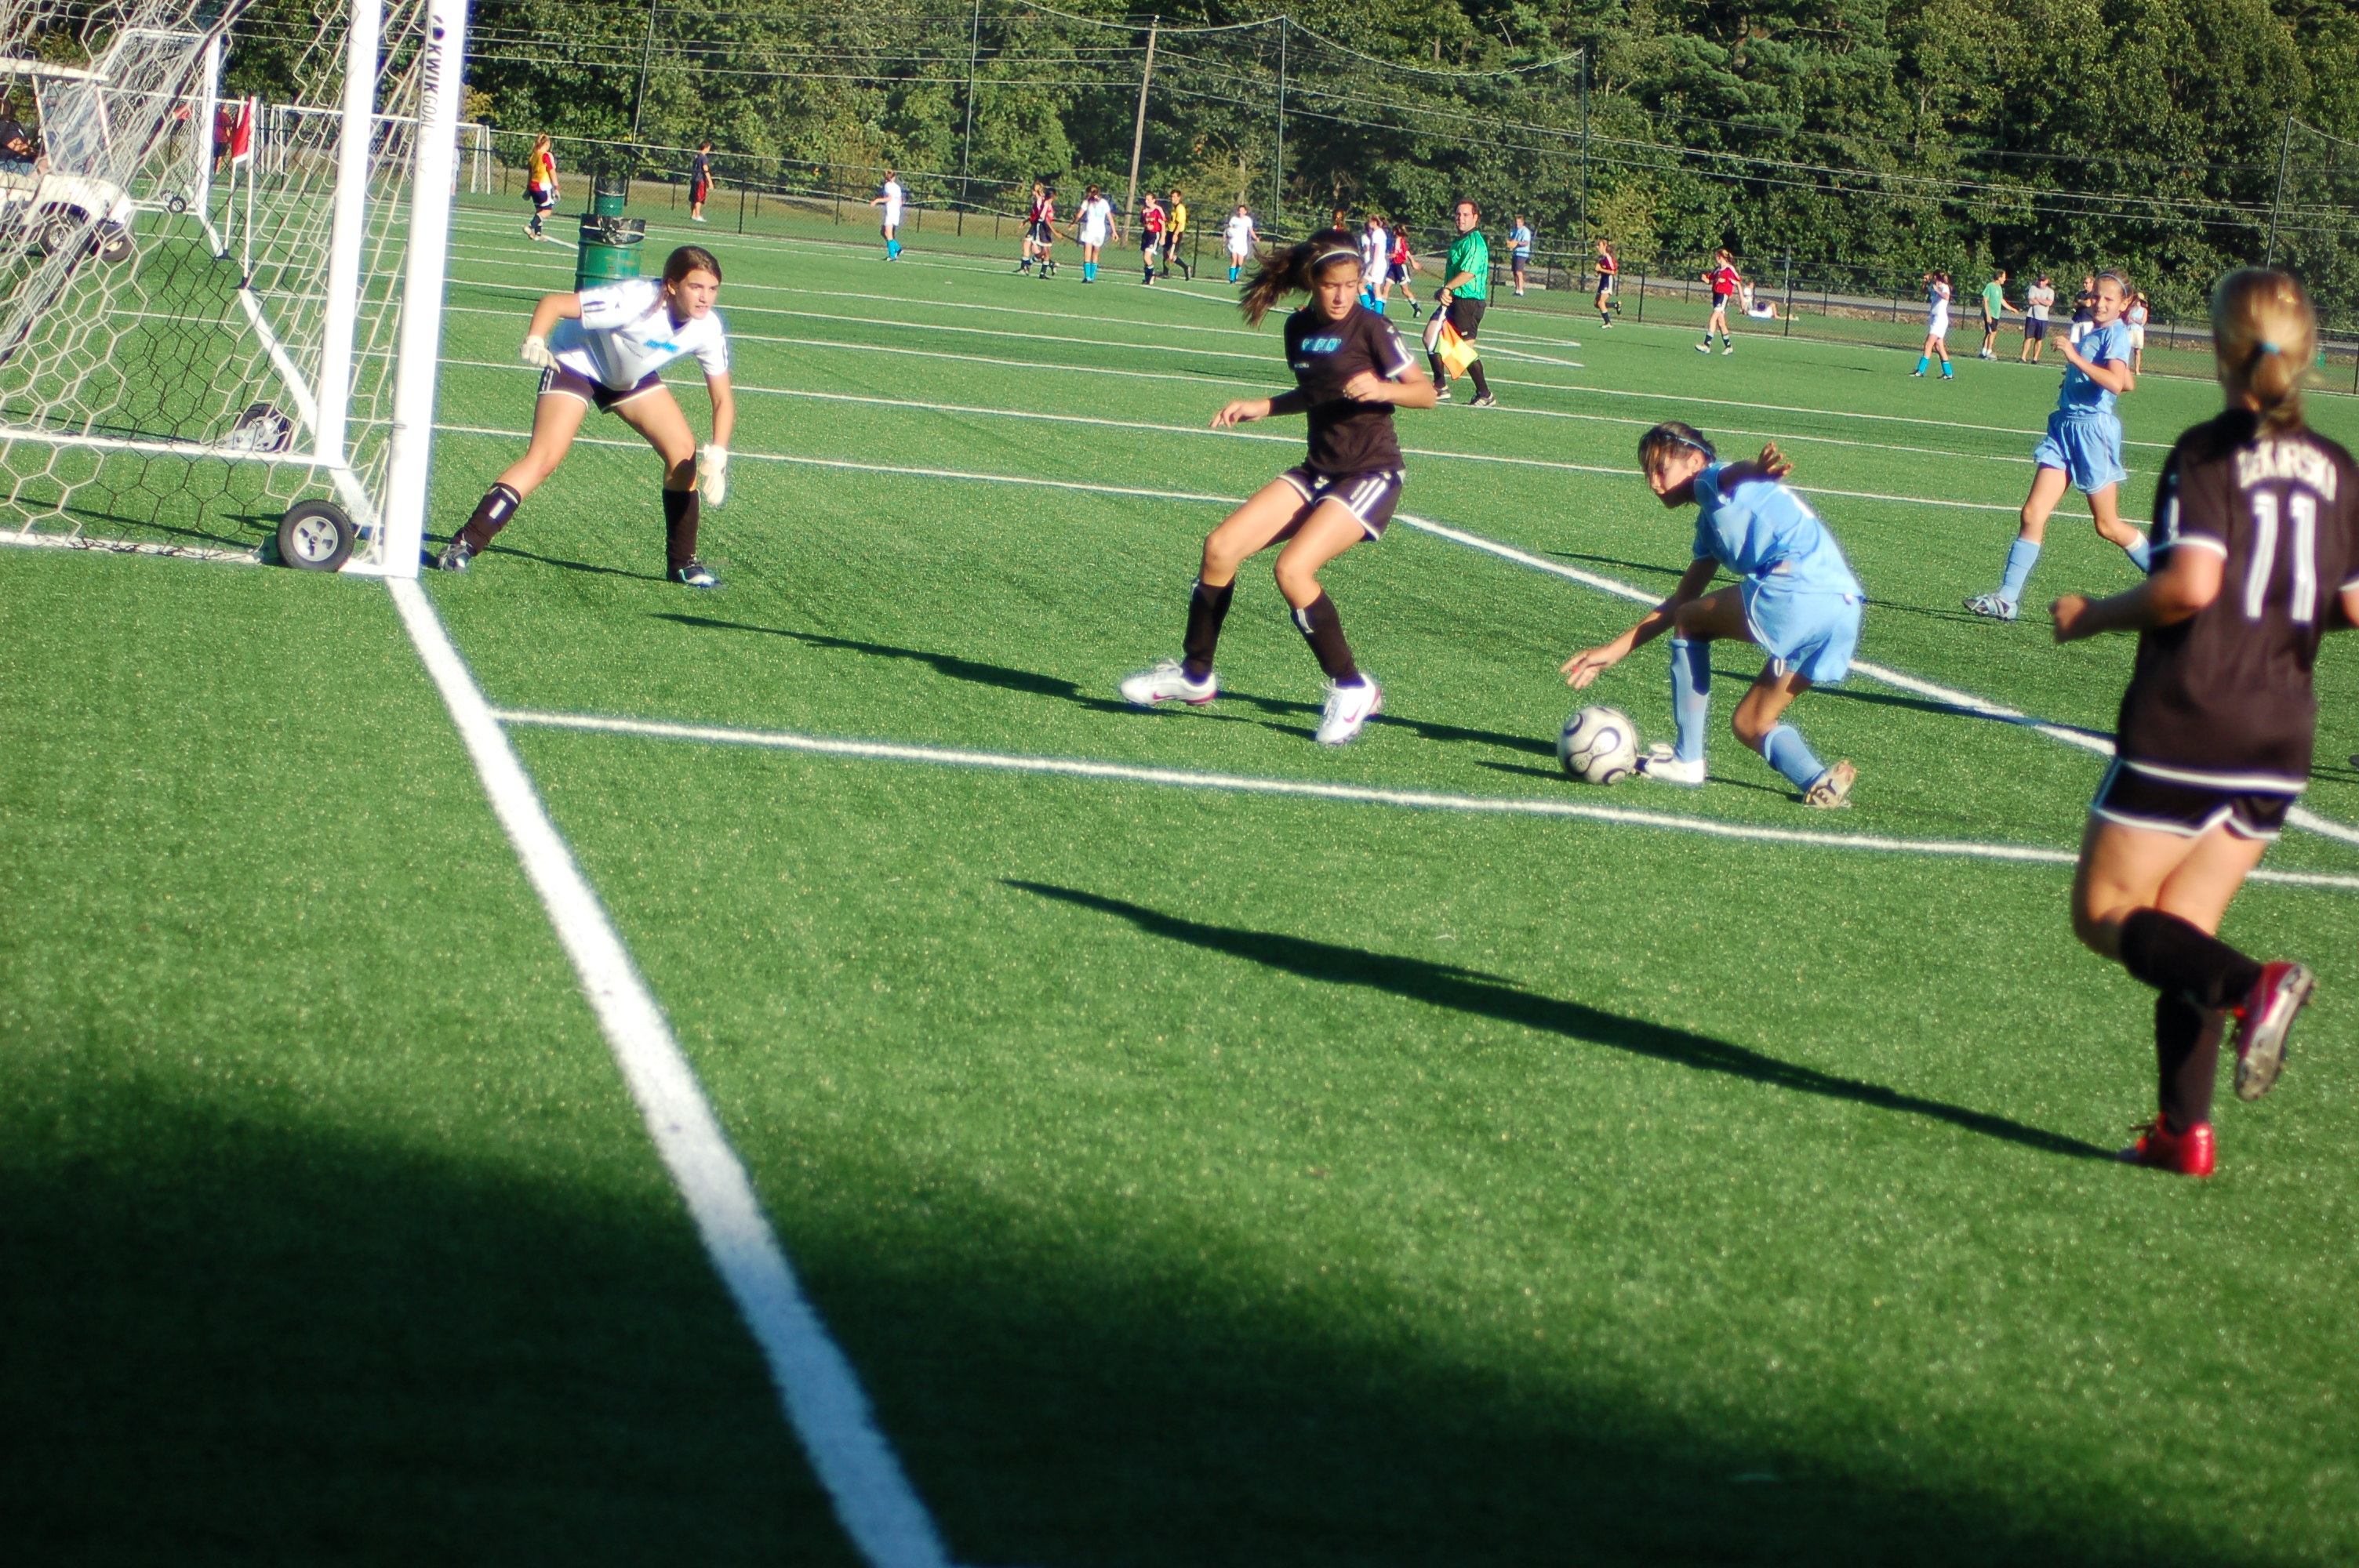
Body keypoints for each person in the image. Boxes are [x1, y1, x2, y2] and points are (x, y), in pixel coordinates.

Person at [2049, 269, 2354, 1177]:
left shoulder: (2208, 450)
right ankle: (2181, 1131)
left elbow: (2188, 585)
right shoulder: (2337, 466)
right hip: (2280, 731)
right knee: (2182, 922)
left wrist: (2092, 614)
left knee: (2105, 911)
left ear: (2220, 350)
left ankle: (2251, 985)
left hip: (2192, 714)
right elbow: (2350, 604)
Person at [1118, 230, 1437, 746]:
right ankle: (1195, 675)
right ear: (1313, 282)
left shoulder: (1372, 326)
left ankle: (1352, 687)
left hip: (1370, 473)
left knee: (1292, 570)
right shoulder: (1299, 329)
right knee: (1220, 548)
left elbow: (1426, 393)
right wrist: (1262, 406)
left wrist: (1382, 388)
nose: (1342, 295)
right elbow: (1314, 394)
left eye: (1352, 285)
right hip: (1318, 470)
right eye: (1332, 286)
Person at [1559, 423, 1862, 808]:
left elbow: (1731, 474)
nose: (1653, 482)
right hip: (1843, 606)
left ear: (1695, 461)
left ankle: (1687, 760)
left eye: (1661, 469)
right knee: (1750, 723)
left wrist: (1756, 469)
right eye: (1647, 472)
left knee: (1692, 620)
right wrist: (1612, 652)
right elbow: (1679, 603)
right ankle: (1818, 781)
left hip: (1798, 590)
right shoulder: (1709, 526)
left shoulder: (1709, 481)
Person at [434, 245, 734, 589]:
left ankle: (683, 565)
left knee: (683, 452)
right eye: (696, 287)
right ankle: (464, 543)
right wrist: (536, 339)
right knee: (544, 458)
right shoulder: (634, 299)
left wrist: (720, 452)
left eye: (713, 289)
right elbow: (553, 304)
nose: (705, 297)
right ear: (671, 285)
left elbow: (722, 398)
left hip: (627, 378)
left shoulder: (707, 327)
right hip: (576, 363)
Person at [1967, 270, 2147, 620]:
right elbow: (2126, 382)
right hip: (2064, 428)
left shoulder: (2116, 333)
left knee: (2107, 525)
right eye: (2096, 296)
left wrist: (2075, 358)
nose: (2100, 303)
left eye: (2109, 299)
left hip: (2092, 432)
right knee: (2032, 514)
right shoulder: (2098, 333)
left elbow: (2113, 383)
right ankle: (2007, 599)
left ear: (2124, 304)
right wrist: (2081, 375)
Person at [1426, 198, 1496, 408]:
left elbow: (1468, 273)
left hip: (1468, 302)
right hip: (1453, 300)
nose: (1461, 218)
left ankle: (1485, 394)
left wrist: (1447, 288)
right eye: (1458, 214)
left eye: (1466, 215)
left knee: (1462, 353)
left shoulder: (1475, 243)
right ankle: (1440, 387)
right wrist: (1444, 291)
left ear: (1475, 218)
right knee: (1430, 337)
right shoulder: (1459, 241)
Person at [1914, 271, 1955, 379]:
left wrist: (1937, 290)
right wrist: (1925, 282)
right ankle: (1948, 373)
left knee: (1929, 344)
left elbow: (1946, 297)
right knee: (1939, 346)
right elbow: (1923, 291)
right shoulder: (1934, 286)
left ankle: (1920, 371)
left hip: (1940, 320)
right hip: (1935, 319)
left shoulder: (1944, 287)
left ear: (1936, 277)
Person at [1698, 249, 1739, 354]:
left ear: (1720, 257)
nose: (1715, 258)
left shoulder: (1729, 269)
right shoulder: (1718, 269)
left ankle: (1706, 345)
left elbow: (1738, 281)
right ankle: (1728, 346)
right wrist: (1705, 279)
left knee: (1713, 318)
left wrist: (1742, 299)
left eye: (1716, 256)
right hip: (1716, 296)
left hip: (1723, 296)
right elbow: (1710, 280)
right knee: (1721, 322)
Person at [1072, 184, 1116, 283]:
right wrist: (1114, 231)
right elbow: (1110, 218)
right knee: (1096, 253)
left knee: (1087, 252)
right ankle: (1092, 277)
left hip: (1090, 229)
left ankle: (1087, 276)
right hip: (1100, 231)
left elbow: (1079, 215)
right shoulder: (1104, 202)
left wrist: (1072, 223)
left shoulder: (1087, 202)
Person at [523, 133, 558, 241]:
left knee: (540, 210)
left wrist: (528, 188)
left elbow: (530, 174)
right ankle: (530, 226)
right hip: (544, 186)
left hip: (533, 186)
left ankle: (538, 234)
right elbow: (552, 172)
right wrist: (556, 188)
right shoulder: (546, 155)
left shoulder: (533, 156)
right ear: (546, 143)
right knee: (547, 210)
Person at [1016, 182, 1056, 276]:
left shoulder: (1041, 201)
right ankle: (1049, 263)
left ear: (1035, 191)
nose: (1031, 192)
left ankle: (1025, 266)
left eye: (1033, 190)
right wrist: (1026, 221)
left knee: (1029, 245)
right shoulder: (1039, 201)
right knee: (1035, 249)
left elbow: (1041, 216)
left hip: (1038, 226)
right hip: (1037, 225)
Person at [869, 170, 905, 260]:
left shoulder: (888, 185)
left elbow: (889, 198)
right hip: (896, 212)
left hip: (890, 212)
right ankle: (898, 249)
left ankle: (892, 255)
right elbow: (900, 202)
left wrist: (876, 201)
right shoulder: (897, 187)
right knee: (884, 232)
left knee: (888, 234)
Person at [1360, 212, 1391, 311]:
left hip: (1376, 263)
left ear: (1374, 222)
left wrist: (1372, 267)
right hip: (1382, 264)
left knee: (1360, 285)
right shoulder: (1382, 232)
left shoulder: (1376, 233)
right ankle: (1378, 314)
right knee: (1376, 289)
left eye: (1370, 222)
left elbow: (1376, 251)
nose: (1368, 224)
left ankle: (1367, 310)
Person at [2020, 274, 2055, 363]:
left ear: (2047, 281)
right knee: (2028, 337)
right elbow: (2031, 301)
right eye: (2040, 280)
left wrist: (2038, 299)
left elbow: (2049, 303)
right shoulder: (2033, 288)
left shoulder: (2050, 291)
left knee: (2039, 339)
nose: (2041, 282)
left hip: (2043, 318)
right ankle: (2023, 357)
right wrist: (2043, 301)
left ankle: (2035, 359)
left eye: (2043, 281)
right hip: (2032, 317)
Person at [1979, 269, 2012, 358]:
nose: (2005, 279)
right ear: (1999, 277)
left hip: (1996, 315)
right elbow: (1985, 300)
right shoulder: (1990, 286)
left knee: (1989, 333)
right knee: (1993, 332)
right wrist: (1988, 315)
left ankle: (1984, 352)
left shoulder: (1999, 288)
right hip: (1990, 314)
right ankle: (1989, 351)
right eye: (2004, 277)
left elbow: (2001, 300)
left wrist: (2011, 308)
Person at [1390, 227, 1420, 318]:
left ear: (1396, 231)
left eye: (1394, 230)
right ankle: (1379, 311)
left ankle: (1417, 308)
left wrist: (1383, 256)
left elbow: (1399, 254)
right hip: (1393, 266)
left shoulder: (1400, 240)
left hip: (1400, 267)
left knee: (1405, 291)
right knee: (1386, 288)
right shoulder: (1398, 240)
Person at [1163, 187, 1191, 280]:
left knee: (1172, 255)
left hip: (1176, 233)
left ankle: (1186, 267)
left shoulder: (1180, 208)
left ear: (1179, 197)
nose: (1172, 198)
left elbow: (1180, 223)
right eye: (1171, 196)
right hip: (1170, 232)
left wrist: (1175, 234)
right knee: (1166, 252)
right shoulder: (1174, 208)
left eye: (1174, 197)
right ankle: (1165, 273)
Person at [1224, 203, 1257, 284]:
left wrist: (1256, 237)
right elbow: (1229, 230)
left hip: (1242, 243)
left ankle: (1236, 274)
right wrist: (1229, 235)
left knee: (1240, 263)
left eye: (1242, 211)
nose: (1241, 212)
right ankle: (1232, 278)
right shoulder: (1234, 219)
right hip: (1234, 242)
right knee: (1234, 260)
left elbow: (1251, 230)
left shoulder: (1248, 220)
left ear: (1245, 212)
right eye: (1239, 211)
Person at [0, 96, 34, 174]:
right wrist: (38, 154)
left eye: (6, 102)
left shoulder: (14, 123)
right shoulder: (1, 125)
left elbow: (27, 141)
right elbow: (20, 148)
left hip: (22, 158)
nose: (5, 106)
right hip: (9, 163)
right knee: (41, 168)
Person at [1138, 191, 1165, 283]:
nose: (1147, 201)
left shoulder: (1158, 210)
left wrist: (1163, 236)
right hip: (1146, 235)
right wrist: (1147, 226)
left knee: (1147, 257)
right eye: (1146, 199)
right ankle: (1147, 278)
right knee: (1145, 258)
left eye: (1149, 199)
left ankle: (1152, 275)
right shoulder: (1144, 211)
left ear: (1154, 200)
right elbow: (1143, 222)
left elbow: (1163, 223)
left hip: (1154, 235)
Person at [1594, 238, 1619, 326]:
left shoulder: (1609, 258)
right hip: (1603, 281)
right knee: (1597, 304)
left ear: (1605, 246)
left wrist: (1601, 269)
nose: (1597, 247)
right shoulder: (1601, 258)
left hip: (1608, 281)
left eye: (1599, 245)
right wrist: (1597, 272)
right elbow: (1600, 270)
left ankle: (1608, 323)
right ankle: (1615, 305)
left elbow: (1613, 272)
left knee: (1601, 303)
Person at [1508, 214, 1534, 296]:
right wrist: (1509, 243)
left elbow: (1526, 242)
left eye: (1519, 222)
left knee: (1519, 272)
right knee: (1515, 272)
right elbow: (1511, 240)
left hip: (1522, 253)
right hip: (1515, 253)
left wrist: (1517, 243)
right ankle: (1517, 290)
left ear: (1522, 223)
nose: (1517, 224)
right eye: (1516, 222)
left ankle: (1521, 290)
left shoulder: (1525, 231)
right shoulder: (1515, 231)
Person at [688, 140, 713, 223]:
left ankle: (693, 215)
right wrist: (710, 181)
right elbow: (705, 169)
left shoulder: (696, 156)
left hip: (694, 179)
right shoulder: (703, 157)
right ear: (706, 148)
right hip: (700, 179)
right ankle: (698, 215)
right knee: (699, 198)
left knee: (694, 198)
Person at [2070, 274, 2098, 345]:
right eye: (2084, 283)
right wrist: (2082, 302)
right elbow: (2074, 305)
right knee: (2073, 341)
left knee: (2086, 341)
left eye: (2086, 283)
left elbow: (2088, 304)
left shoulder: (2094, 294)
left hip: (2088, 321)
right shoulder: (2081, 294)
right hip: (2077, 320)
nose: (2084, 284)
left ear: (2092, 283)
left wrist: (2079, 301)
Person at [2128, 290, 2150, 372]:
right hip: (2130, 330)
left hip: (2139, 331)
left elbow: (2143, 321)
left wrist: (2134, 319)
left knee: (2137, 350)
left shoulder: (2144, 310)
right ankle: (2126, 368)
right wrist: (2136, 320)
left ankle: (2137, 369)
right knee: (2127, 349)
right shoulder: (2131, 309)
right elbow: (2128, 320)